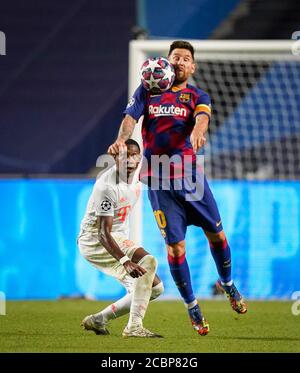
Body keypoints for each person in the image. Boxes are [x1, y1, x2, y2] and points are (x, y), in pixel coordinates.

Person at [108, 40, 247, 336]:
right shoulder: (148, 90)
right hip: (159, 183)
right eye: (176, 58)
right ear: (167, 63)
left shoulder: (197, 94)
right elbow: (130, 118)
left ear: (193, 66)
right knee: (175, 247)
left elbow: (202, 116)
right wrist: (122, 140)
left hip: (191, 180)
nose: (181, 62)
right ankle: (192, 306)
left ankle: (228, 284)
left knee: (217, 234)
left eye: (186, 58)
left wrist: (198, 131)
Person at [78, 139, 164, 338]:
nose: (130, 160)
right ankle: (134, 327)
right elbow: (102, 232)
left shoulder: (138, 175)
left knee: (155, 288)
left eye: (135, 155)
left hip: (116, 237)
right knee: (149, 261)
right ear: (116, 158)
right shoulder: (106, 186)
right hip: (95, 241)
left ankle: (99, 319)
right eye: (125, 155)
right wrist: (125, 261)